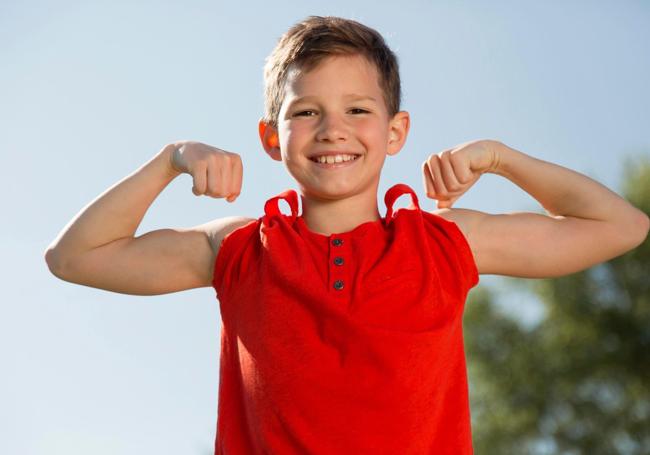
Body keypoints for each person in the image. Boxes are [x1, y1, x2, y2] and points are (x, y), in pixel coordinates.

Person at [44, 14, 649, 455]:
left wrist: (500, 157)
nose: (333, 130)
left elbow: (622, 226)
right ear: (272, 139)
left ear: (395, 132)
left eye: (358, 110)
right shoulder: (238, 250)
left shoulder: (443, 243)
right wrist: (171, 158)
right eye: (307, 111)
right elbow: (75, 257)